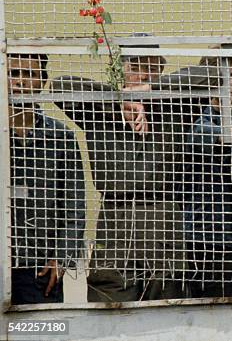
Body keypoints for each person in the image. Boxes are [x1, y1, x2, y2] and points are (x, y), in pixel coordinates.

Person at [50, 38, 215, 302]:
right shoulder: (99, 110)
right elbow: (59, 85)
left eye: (153, 67)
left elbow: (210, 75)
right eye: (137, 66)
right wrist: (118, 103)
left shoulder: (176, 107)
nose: (145, 73)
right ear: (122, 69)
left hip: (163, 218)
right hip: (116, 218)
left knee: (165, 306)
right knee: (109, 305)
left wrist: (150, 91)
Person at [8, 53, 86, 304]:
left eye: (29, 74)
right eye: (14, 73)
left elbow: (74, 205)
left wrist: (62, 257)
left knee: (43, 331)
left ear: (42, 81)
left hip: (41, 268)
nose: (20, 81)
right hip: (4, 260)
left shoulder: (61, 137)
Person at [183, 56, 232, 298]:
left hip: (225, 233)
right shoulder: (187, 114)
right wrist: (226, 136)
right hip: (189, 234)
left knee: (224, 300)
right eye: (229, 75)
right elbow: (192, 135)